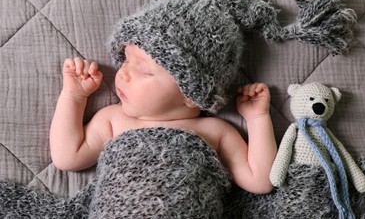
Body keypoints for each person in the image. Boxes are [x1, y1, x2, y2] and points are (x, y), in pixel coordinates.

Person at [50, 43, 277, 194]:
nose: (123, 73)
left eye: (145, 71)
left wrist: (257, 119)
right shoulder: (113, 119)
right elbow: (67, 157)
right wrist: (75, 95)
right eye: (126, 60)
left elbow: (261, 181)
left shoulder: (215, 131)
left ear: (192, 95)